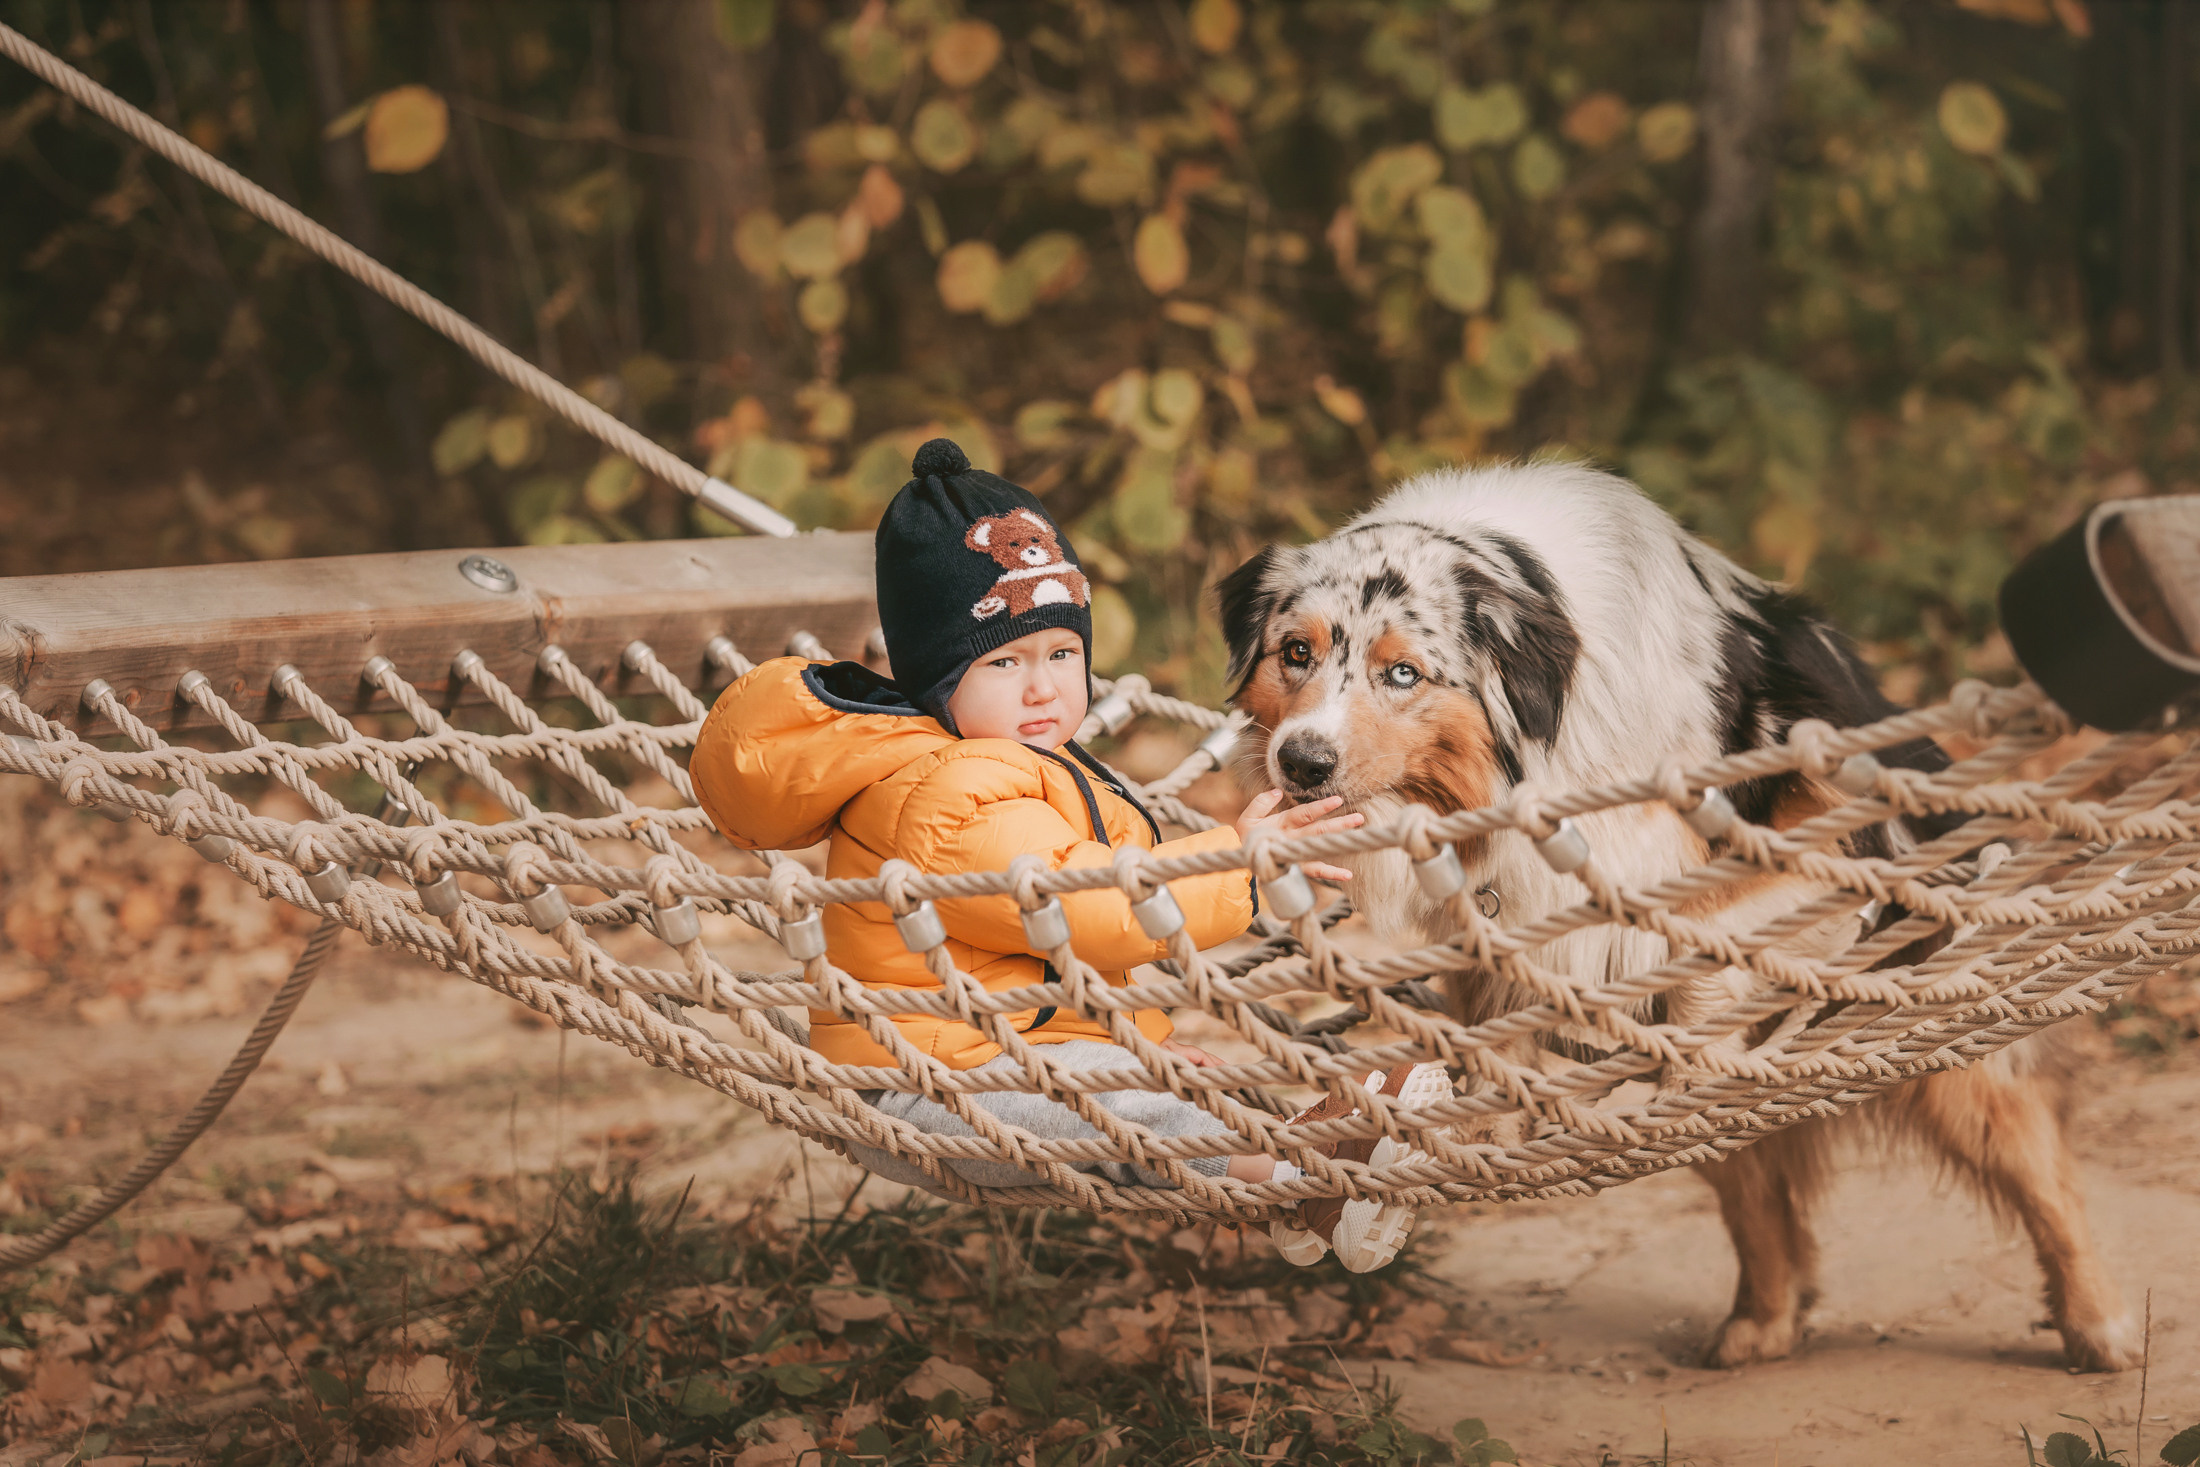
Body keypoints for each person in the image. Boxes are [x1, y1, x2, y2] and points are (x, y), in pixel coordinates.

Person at [690, 439, 1448, 1272]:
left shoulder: (1032, 763)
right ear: (937, 682)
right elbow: (1086, 911)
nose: (1042, 686)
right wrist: (1240, 861)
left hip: (997, 1055)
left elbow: (1036, 970)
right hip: (918, 1088)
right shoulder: (948, 791)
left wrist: (1136, 1042)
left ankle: (1289, 1195)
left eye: (1061, 653)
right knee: (1115, 1102)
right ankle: (1303, 1172)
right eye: (1002, 662)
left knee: (1165, 1083)